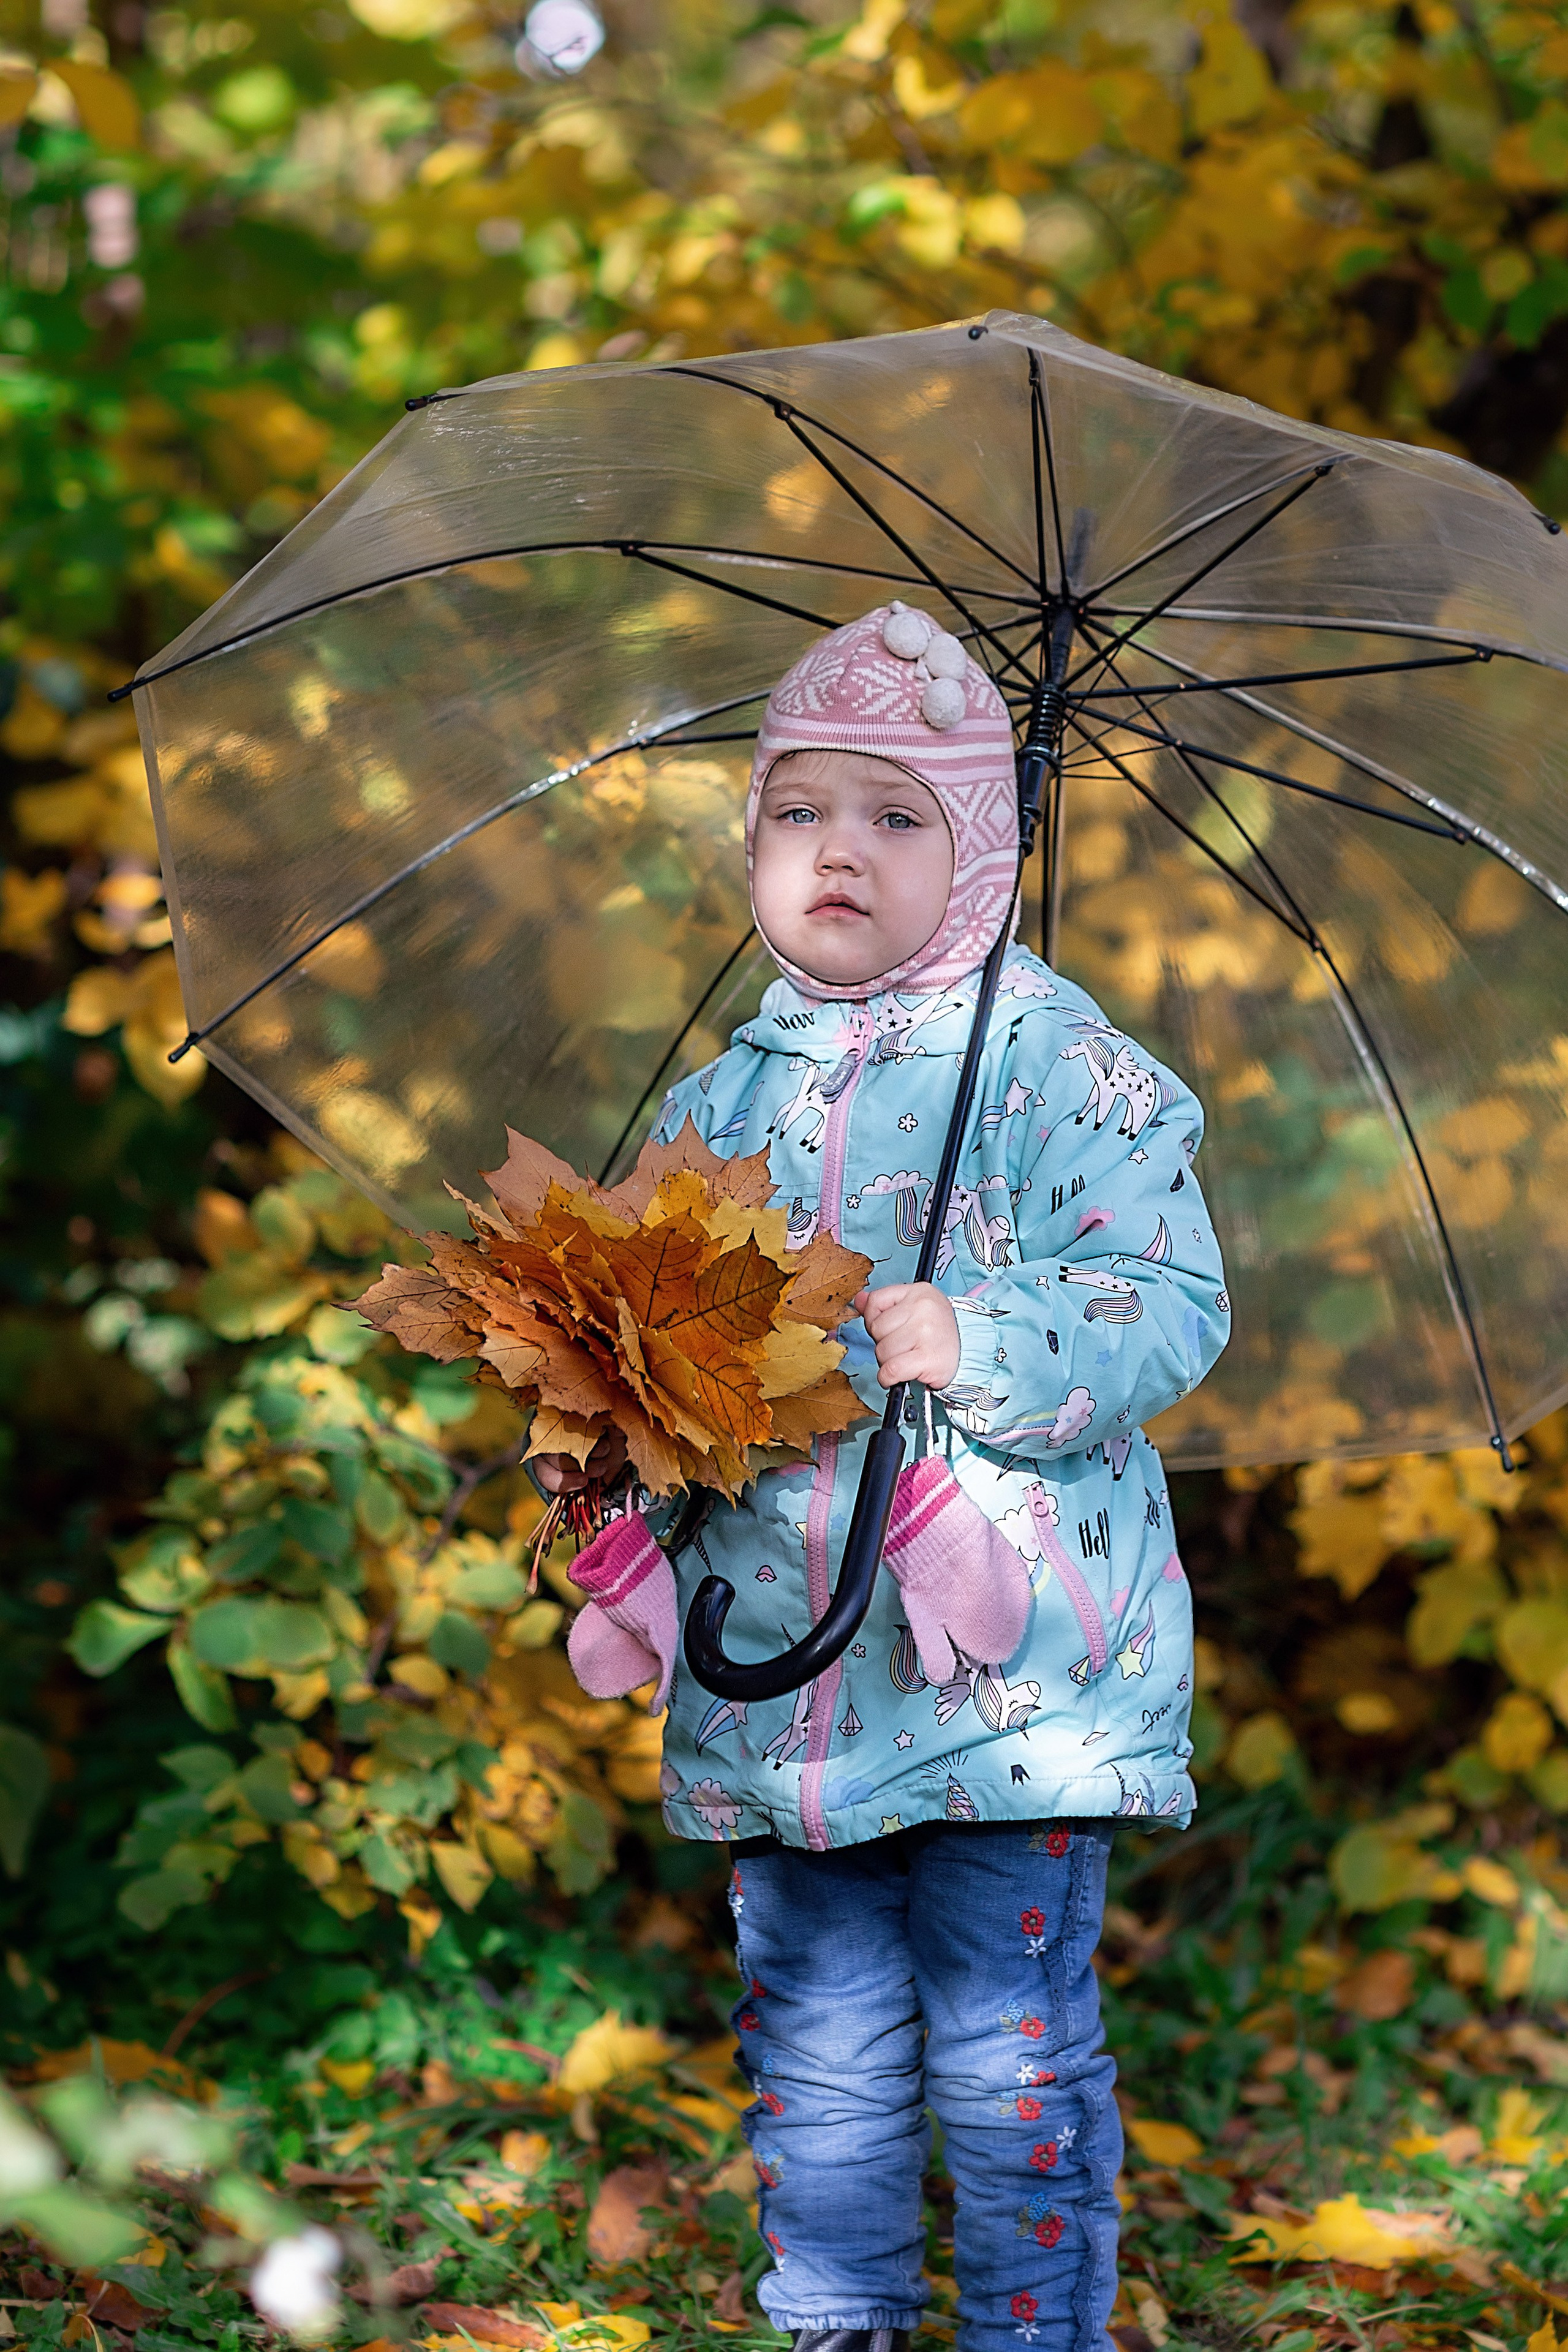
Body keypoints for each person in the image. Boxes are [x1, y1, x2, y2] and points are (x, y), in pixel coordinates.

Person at [533, 605, 1229, 2352]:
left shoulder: (1070, 1074)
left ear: (984, 848)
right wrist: (612, 1458)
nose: (837, 847)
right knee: (822, 2052)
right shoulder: (713, 1110)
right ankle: (832, 2319)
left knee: (1005, 2062)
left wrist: (983, 1337)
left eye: (898, 814)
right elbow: (659, 1356)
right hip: (784, 1687)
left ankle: (1030, 2334)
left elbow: (1170, 1304)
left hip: (1016, 1688)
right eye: (798, 811)